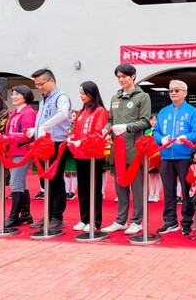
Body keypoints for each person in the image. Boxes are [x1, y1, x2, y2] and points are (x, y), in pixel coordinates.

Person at [101, 64, 151, 235]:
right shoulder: (115, 97)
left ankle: (137, 221)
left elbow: (145, 121)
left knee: (137, 187)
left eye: (124, 76)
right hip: (117, 150)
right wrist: (106, 129)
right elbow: (110, 119)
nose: (121, 79)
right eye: (119, 77)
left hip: (134, 150)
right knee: (120, 187)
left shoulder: (142, 97)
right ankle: (120, 220)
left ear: (133, 76)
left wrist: (127, 127)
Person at [154, 80, 196, 235]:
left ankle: (187, 221)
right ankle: (170, 221)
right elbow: (156, 132)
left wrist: (186, 137)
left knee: (187, 190)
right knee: (168, 191)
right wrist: (161, 139)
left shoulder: (192, 111)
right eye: (171, 90)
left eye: (177, 90)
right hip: (166, 156)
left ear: (185, 93)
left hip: (185, 156)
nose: (173, 93)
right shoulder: (163, 112)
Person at [28, 68, 72, 230]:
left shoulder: (61, 97)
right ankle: (48, 214)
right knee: (44, 182)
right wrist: (35, 129)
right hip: (42, 144)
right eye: (37, 85)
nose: (40, 87)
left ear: (51, 81)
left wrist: (45, 126)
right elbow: (42, 118)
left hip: (56, 144)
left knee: (55, 181)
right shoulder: (44, 99)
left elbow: (62, 114)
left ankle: (57, 217)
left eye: (41, 83)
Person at [67, 81, 109, 232]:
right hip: (80, 155)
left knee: (94, 189)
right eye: (80, 94)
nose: (81, 96)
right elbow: (75, 129)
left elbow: (97, 133)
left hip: (94, 156)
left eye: (84, 93)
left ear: (92, 93)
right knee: (83, 189)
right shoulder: (81, 112)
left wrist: (81, 141)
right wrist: (71, 138)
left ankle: (95, 220)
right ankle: (84, 218)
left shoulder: (100, 111)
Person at [4, 85, 36, 227]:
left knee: (15, 183)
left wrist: (7, 138)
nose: (13, 96)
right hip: (13, 152)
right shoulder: (14, 113)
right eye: (12, 94)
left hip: (23, 152)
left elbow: (26, 135)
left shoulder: (29, 113)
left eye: (17, 94)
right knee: (20, 183)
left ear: (26, 96)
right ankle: (25, 214)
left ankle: (13, 216)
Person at [145, 113, 162, 203]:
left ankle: (157, 194)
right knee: (151, 175)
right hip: (150, 156)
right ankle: (151, 193)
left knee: (158, 175)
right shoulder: (147, 131)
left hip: (159, 155)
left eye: (155, 120)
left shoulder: (161, 131)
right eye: (151, 120)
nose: (153, 122)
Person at [64, 110, 78, 201]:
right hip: (66, 152)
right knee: (66, 172)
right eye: (71, 116)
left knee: (74, 172)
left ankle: (72, 191)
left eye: (74, 116)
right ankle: (65, 190)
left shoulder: (78, 127)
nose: (72, 118)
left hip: (74, 152)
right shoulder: (65, 126)